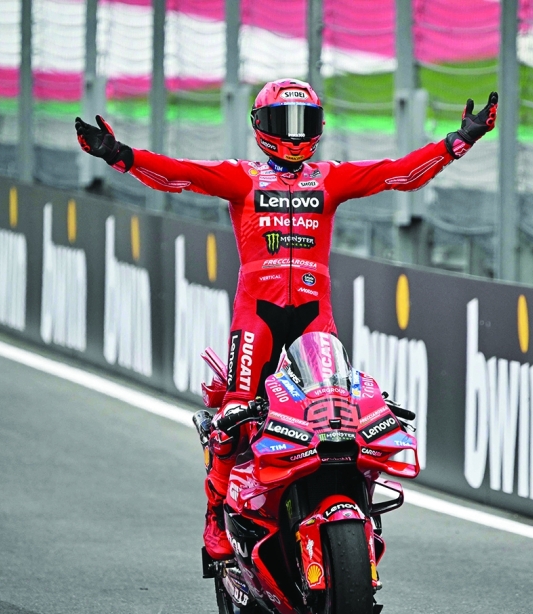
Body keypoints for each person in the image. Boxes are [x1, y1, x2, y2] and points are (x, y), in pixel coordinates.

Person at [76, 79, 497, 559]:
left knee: (336, 419)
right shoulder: (242, 177)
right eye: (284, 123)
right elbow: (179, 175)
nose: (295, 135)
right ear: (261, 126)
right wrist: (119, 155)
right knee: (234, 416)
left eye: (305, 123)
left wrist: (460, 140)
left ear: (319, 127)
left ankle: (344, 514)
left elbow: (398, 175)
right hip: (257, 316)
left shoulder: (331, 178)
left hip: (314, 319)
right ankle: (216, 515)